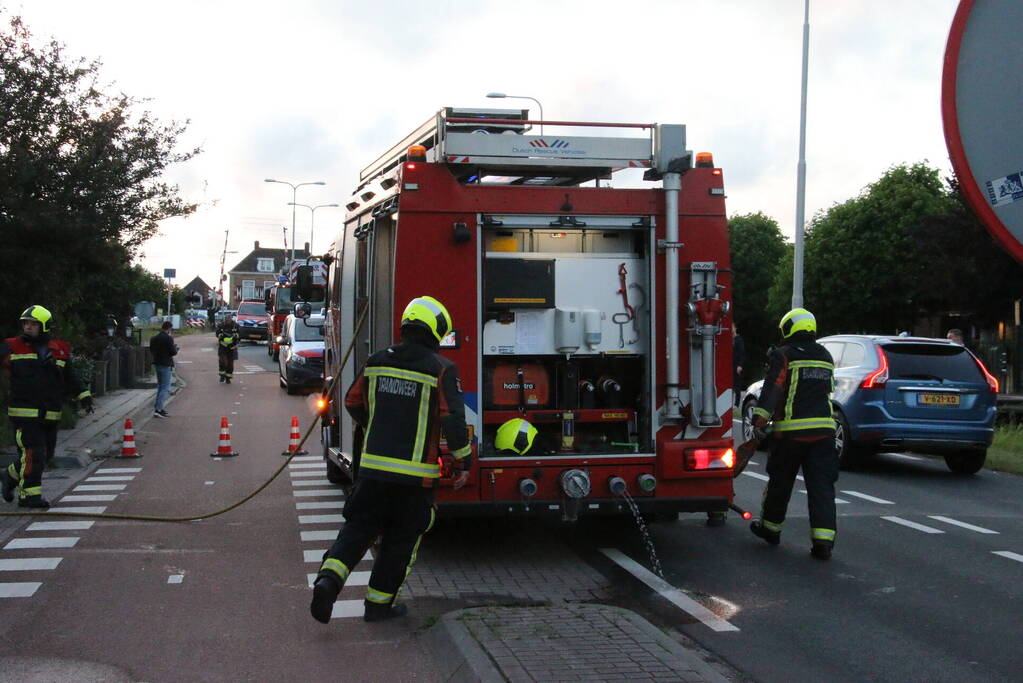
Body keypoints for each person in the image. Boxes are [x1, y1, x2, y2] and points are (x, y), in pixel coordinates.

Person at [310, 296, 471, 623]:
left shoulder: (377, 360)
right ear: (436, 330)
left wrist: (377, 424)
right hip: (415, 482)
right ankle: (378, 606)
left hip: (372, 473)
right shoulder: (441, 368)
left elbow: (352, 402)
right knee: (400, 543)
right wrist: (463, 462)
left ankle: (328, 581)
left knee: (357, 530)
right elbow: (453, 419)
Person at [749, 308, 838, 560]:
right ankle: (823, 543)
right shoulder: (826, 355)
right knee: (822, 488)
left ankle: (770, 529)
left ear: (789, 327)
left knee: (780, 484)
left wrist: (760, 419)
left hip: (791, 434)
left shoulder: (784, 354)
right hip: (824, 433)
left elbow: (774, 387)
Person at [1, 306, 93, 508]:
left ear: (44, 326)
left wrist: (84, 395)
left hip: (51, 413)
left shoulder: (58, 350)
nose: (28, 327)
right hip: (23, 414)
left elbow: (70, 377)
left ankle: (9, 476)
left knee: (45, 456)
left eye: (33, 323)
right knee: (34, 454)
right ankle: (29, 497)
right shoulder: (11, 346)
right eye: (25, 323)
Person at [149, 321, 177, 418]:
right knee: (165, 387)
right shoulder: (168, 339)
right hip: (165, 364)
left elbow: (151, 350)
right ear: (169, 328)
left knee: (160, 386)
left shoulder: (154, 338)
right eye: (171, 329)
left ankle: (159, 407)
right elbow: (173, 352)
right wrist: (176, 349)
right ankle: (158, 409)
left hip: (157, 363)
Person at [216, 314, 239, 384]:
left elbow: (239, 334)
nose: (228, 320)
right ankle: (222, 376)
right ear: (225, 319)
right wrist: (221, 336)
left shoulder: (235, 325)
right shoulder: (221, 325)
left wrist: (236, 336)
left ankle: (228, 378)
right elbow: (217, 334)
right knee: (223, 362)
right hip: (223, 346)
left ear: (231, 319)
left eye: (229, 319)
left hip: (232, 347)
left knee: (230, 364)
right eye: (226, 319)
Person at [733, 325, 746, 407]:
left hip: (736, 365)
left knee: (737, 385)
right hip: (730, 364)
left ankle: (737, 403)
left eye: (732, 327)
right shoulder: (729, 339)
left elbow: (742, 353)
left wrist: (740, 365)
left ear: (735, 328)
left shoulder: (739, 340)